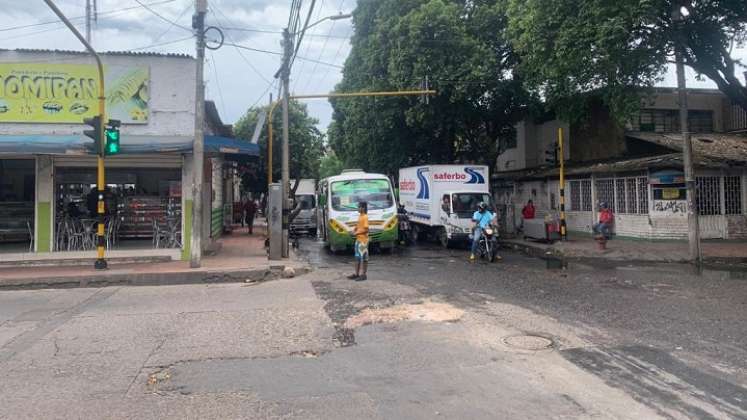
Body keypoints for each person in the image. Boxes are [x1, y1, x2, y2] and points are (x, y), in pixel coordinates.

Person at [348, 201, 369, 281]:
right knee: (357, 257)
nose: (358, 208)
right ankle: (356, 274)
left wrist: (356, 233)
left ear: (363, 208)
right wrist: (354, 231)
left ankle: (363, 275)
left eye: (359, 207)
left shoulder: (365, 217)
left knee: (364, 258)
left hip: (363, 241)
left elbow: (366, 230)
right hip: (358, 240)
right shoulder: (360, 216)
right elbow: (358, 226)